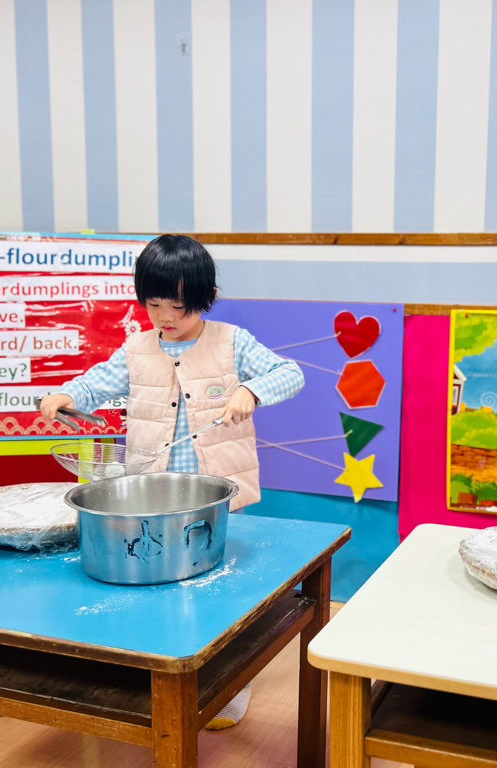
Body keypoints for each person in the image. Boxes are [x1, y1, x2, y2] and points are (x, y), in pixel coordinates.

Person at [41, 233, 304, 729]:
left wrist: (251, 390)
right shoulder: (136, 348)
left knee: (217, 591)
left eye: (178, 307)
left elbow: (290, 373)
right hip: (151, 496)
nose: (164, 316)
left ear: (205, 298)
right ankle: (161, 672)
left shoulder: (231, 341)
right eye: (154, 304)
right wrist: (67, 393)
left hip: (213, 496)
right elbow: (97, 382)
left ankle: (229, 684)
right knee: (156, 588)